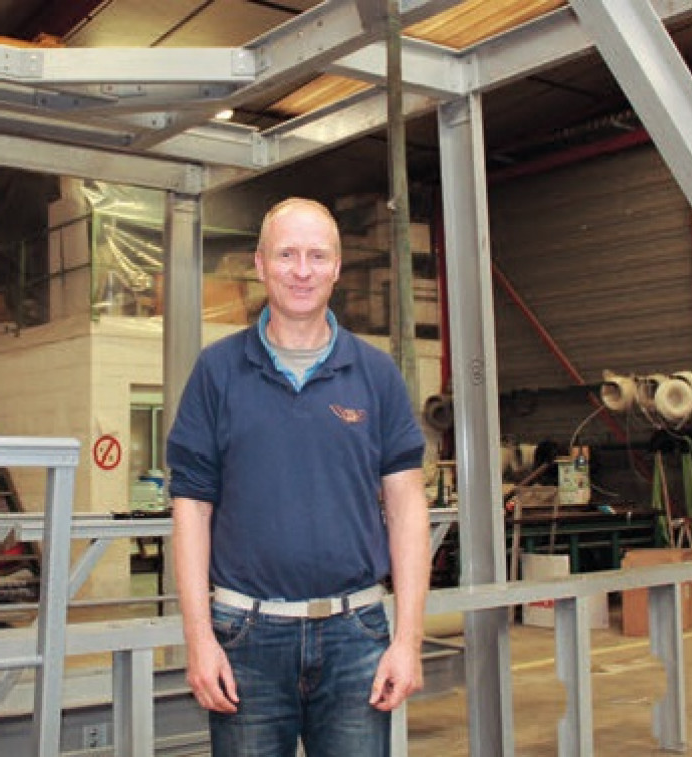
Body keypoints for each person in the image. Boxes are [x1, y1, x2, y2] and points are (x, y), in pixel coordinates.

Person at [166, 197, 431, 756]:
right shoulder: (217, 373)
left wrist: (407, 640)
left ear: (337, 266)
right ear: (260, 265)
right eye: (287, 254)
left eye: (317, 255)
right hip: (245, 639)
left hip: (356, 636)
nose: (302, 270)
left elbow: (408, 509)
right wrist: (199, 639)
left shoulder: (377, 375)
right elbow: (192, 508)